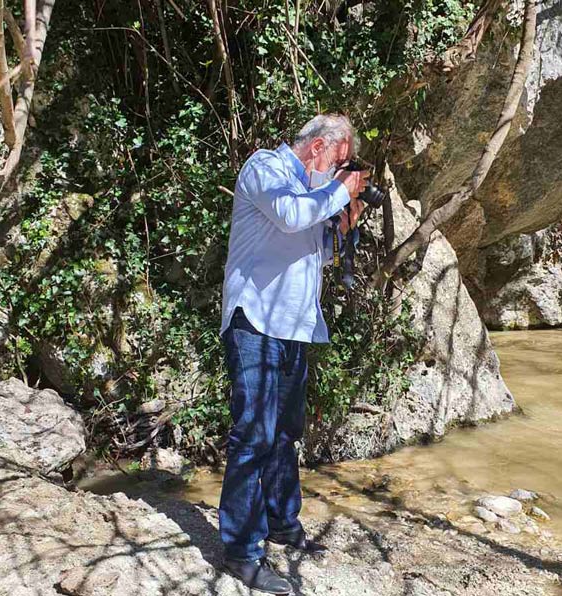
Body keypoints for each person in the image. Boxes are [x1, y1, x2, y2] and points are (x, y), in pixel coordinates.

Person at [217, 114, 367, 594]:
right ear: (318, 147)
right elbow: (290, 216)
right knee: (253, 434)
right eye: (339, 164)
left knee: (285, 433)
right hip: (255, 321)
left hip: (294, 327)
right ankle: (241, 551)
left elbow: (314, 251)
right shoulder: (266, 169)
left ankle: (284, 525)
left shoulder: (315, 196)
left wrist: (344, 224)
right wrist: (340, 191)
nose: (340, 173)